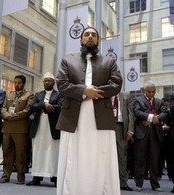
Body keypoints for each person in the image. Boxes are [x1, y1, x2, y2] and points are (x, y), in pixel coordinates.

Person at [56, 27, 122, 195]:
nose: (90, 37)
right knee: (74, 155)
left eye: (94, 35)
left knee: (101, 156)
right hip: (73, 117)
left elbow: (116, 84)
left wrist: (95, 92)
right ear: (80, 40)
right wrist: (85, 91)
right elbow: (62, 84)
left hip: (101, 117)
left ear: (98, 41)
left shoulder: (109, 62)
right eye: (86, 35)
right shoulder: (67, 60)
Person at [26, 72, 64, 187]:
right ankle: (37, 177)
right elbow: (31, 106)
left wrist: (48, 107)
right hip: (39, 128)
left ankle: (56, 177)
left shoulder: (59, 95)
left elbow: (61, 107)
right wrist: (43, 105)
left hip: (52, 128)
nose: (47, 82)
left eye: (49, 81)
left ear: (54, 82)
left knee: (54, 152)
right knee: (38, 152)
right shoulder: (38, 94)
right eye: (45, 81)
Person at [132, 81, 167, 192]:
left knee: (154, 160)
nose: (151, 94)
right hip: (141, 134)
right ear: (144, 91)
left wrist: (151, 121)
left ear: (155, 91)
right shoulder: (138, 100)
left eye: (153, 92)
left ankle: (155, 184)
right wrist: (152, 117)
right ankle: (139, 184)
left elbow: (165, 114)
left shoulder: (159, 102)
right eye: (148, 91)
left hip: (155, 134)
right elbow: (137, 112)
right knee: (140, 159)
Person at [0, 75, 33, 184]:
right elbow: (3, 108)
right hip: (7, 128)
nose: (16, 85)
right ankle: (5, 176)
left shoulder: (29, 95)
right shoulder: (9, 94)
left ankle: (20, 177)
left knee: (20, 154)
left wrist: (16, 115)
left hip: (20, 129)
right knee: (7, 153)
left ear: (23, 84)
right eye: (15, 82)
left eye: (19, 83)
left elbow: (28, 110)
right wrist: (7, 115)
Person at [113, 92, 134, 191]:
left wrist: (130, 130)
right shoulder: (106, 95)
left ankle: (123, 183)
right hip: (108, 128)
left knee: (122, 157)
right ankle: (110, 181)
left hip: (122, 128)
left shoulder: (126, 96)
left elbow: (131, 113)